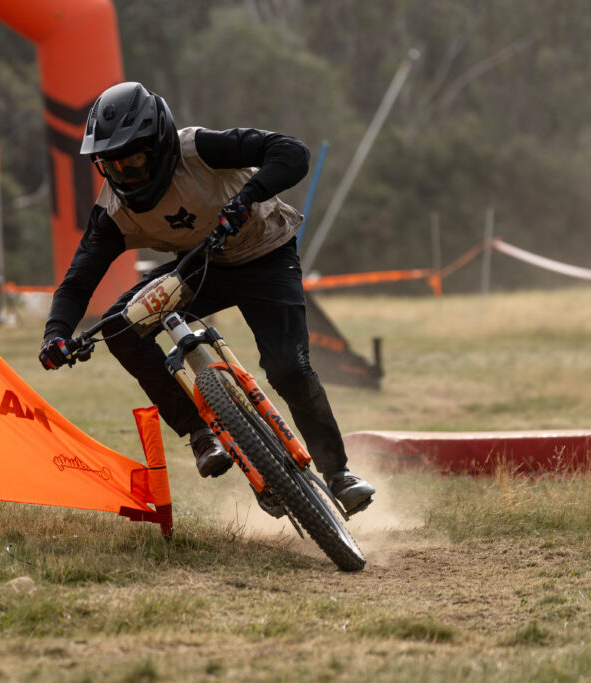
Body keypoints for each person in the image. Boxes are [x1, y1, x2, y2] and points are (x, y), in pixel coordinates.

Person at [37, 82, 375, 515]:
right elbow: (78, 282)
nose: (127, 175)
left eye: (135, 160)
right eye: (114, 166)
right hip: (199, 268)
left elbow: (293, 153)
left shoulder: (200, 150)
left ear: (158, 144)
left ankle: (338, 474)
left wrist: (247, 197)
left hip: (267, 256)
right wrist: (56, 335)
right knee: (121, 327)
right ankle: (201, 434)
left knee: (289, 368)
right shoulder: (113, 213)